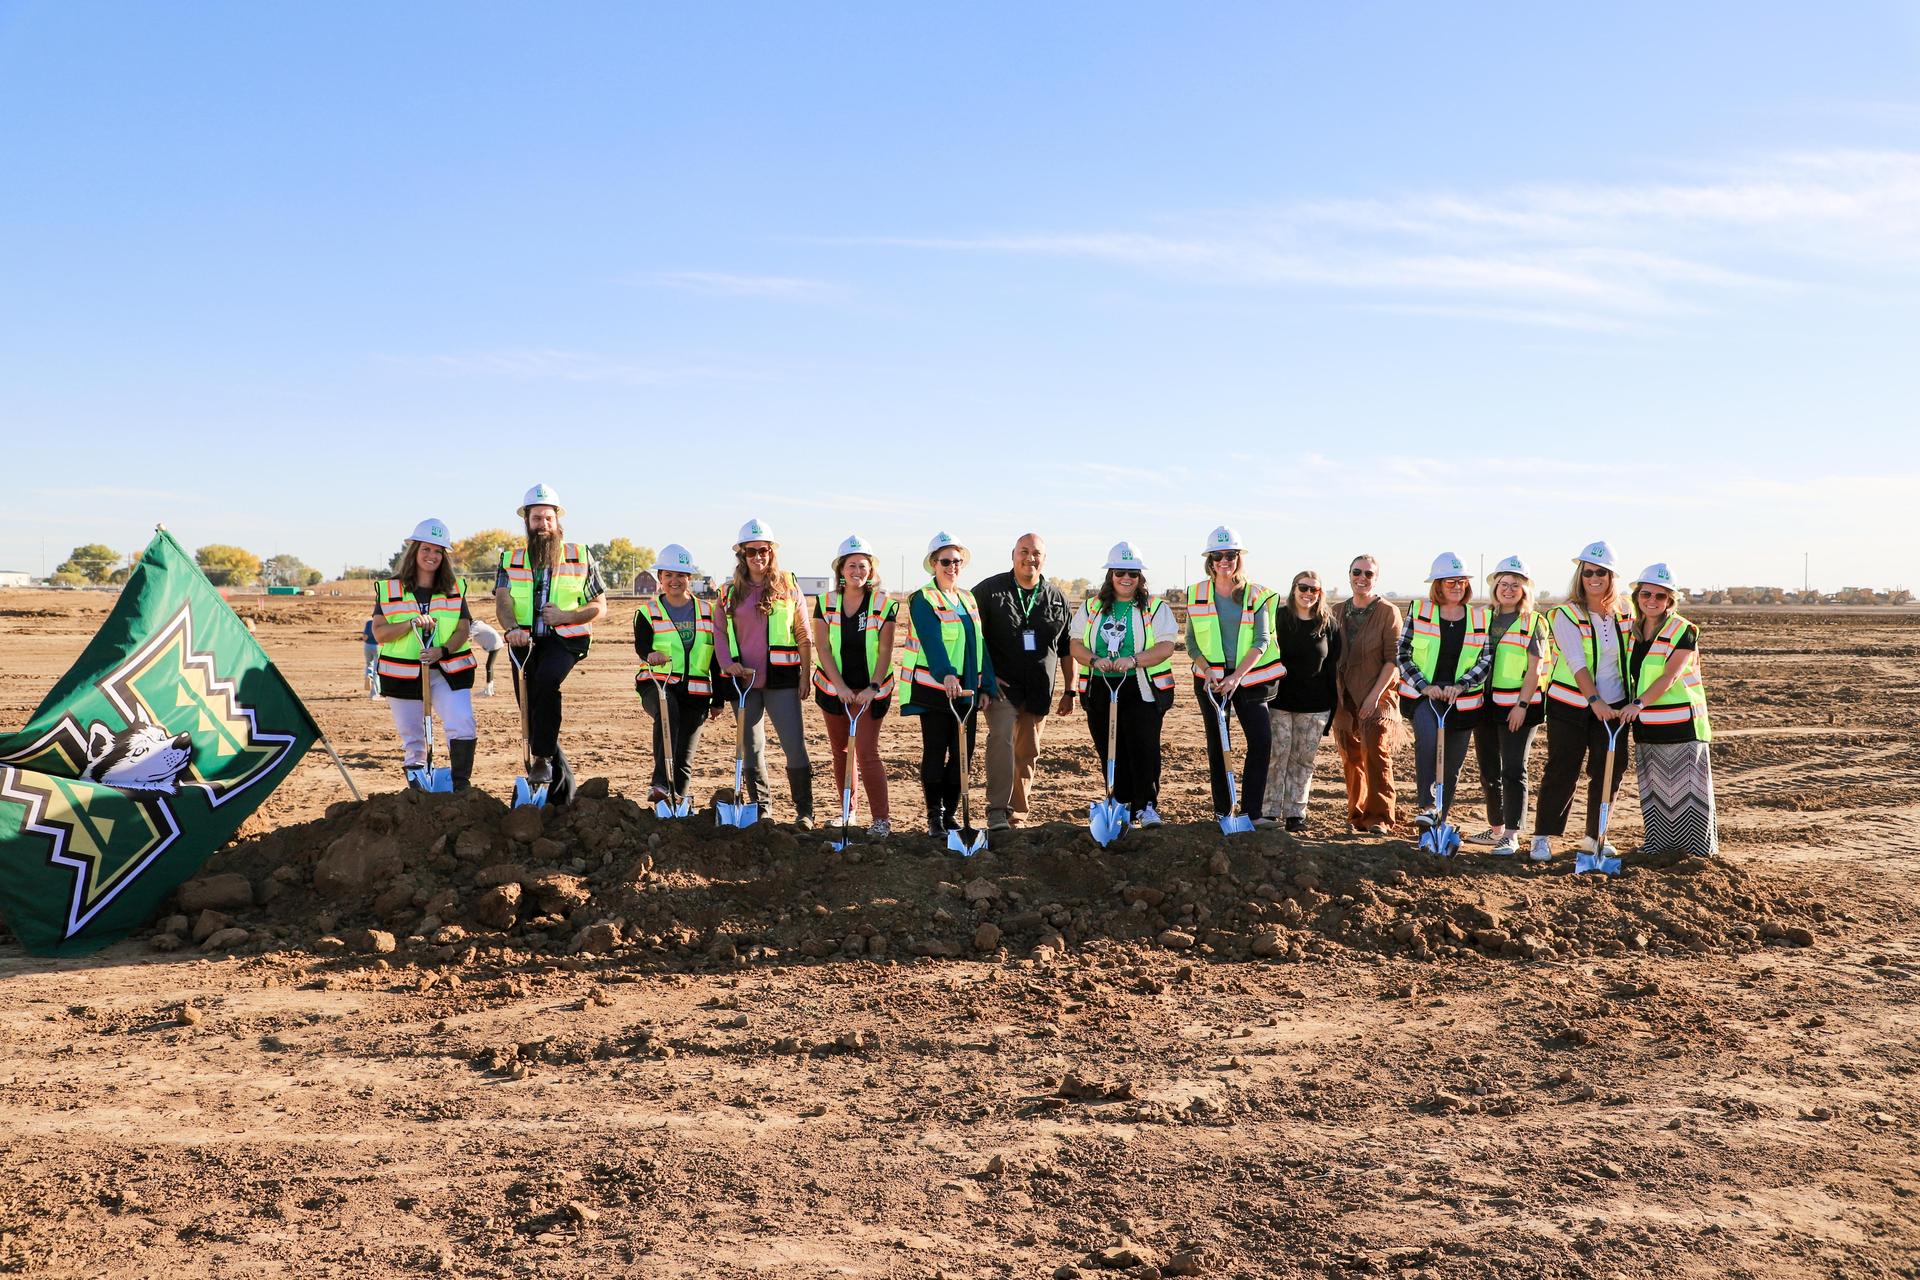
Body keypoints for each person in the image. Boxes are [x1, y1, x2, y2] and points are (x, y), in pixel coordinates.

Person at [494, 484, 606, 804]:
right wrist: (512, 627)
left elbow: (600, 606)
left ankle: (541, 758)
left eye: (547, 518)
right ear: (526, 522)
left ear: (558, 522)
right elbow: (503, 601)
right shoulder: (511, 559)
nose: (542, 524)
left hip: (565, 640)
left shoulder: (579, 556)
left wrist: (567, 616)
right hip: (523, 640)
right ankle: (562, 790)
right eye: (535, 518)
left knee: (545, 682)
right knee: (531, 711)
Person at [1532, 540, 1633, 863]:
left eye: (1601, 572)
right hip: (1571, 705)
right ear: (1580, 575)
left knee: (1609, 771)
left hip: (1614, 706)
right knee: (1563, 768)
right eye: (1588, 572)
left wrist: (1616, 704)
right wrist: (1594, 700)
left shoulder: (1625, 612)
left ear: (1612, 576)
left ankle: (1595, 836)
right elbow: (1576, 662)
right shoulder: (1565, 614)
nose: (1594, 578)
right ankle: (1542, 837)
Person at [713, 518, 817, 827]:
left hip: (782, 680)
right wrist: (726, 663)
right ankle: (761, 807)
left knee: (793, 745)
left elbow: (803, 632)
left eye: (764, 550)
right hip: (743, 682)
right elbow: (718, 632)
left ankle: (805, 811)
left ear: (772, 552)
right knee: (752, 747)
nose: (759, 556)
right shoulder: (728, 591)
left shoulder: (788, 585)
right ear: (742, 555)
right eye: (752, 551)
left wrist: (805, 675)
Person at [1069, 542, 1178, 827]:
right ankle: (1121, 805)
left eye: (1132, 572)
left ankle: (1146, 806)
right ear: (1110, 574)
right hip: (1101, 688)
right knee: (1110, 749)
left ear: (1140, 577)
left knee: (1143, 748)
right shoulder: (1092, 607)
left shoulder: (1154, 608)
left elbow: (1166, 646)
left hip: (1141, 689)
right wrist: (1094, 661)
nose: (1126, 578)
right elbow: (1075, 643)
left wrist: (1134, 660)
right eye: (1120, 572)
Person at [897, 532, 996, 838]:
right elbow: (932, 639)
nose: (952, 566)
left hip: (966, 691)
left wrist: (986, 686)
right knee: (936, 751)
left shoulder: (967, 599)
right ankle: (934, 817)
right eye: (945, 561)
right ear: (933, 564)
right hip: (935, 689)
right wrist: (947, 674)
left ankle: (952, 814)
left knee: (962, 755)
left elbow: (979, 643)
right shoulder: (923, 599)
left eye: (957, 561)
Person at [972, 532, 1073, 831]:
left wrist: (1070, 690)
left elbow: (1067, 647)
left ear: (1044, 558)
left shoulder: (1057, 598)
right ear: (1013, 554)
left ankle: (1017, 813)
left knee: (1027, 751)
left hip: (1039, 688)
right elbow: (972, 638)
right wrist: (984, 677)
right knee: (1001, 740)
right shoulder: (989, 592)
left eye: (1036, 553)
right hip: (1001, 688)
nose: (1030, 557)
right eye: (1024, 551)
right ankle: (997, 811)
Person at [1187, 526, 1285, 828]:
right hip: (1211, 679)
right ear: (1210, 560)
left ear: (1239, 558)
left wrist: (1236, 678)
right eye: (1218, 556)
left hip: (1249, 678)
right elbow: (1191, 643)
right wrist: (1207, 672)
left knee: (1261, 740)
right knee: (1219, 744)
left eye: (1231, 555)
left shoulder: (1256, 595)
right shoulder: (1196, 593)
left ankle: (1252, 812)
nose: (1224, 560)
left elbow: (1261, 640)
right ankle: (1224, 811)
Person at [372, 518, 478, 790]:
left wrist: (441, 651)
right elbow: (380, 634)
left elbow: (463, 629)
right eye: (426, 549)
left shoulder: (455, 588)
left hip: (447, 671)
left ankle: (460, 786)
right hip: (402, 674)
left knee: (462, 722)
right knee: (413, 738)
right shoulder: (390, 589)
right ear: (414, 551)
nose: (432, 556)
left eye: (438, 551)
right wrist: (410, 624)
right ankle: (419, 792)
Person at [1622, 563, 1719, 859]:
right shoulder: (1633, 631)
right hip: (1648, 726)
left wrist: (1637, 704)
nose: (1652, 600)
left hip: (1682, 724)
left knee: (1689, 790)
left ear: (1670, 600)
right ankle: (1659, 846)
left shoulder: (1683, 630)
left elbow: (1670, 676)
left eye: (1660, 596)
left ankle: (1697, 852)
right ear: (1638, 595)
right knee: (1655, 789)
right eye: (1646, 593)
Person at [1396, 552, 1495, 841]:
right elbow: (1403, 652)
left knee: (1451, 765)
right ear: (1437, 584)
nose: (1457, 585)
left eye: (1462, 581)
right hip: (1426, 694)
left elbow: (1485, 658)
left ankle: (1439, 821)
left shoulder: (1479, 617)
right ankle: (1427, 806)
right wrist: (1424, 686)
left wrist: (1462, 685)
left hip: (1461, 699)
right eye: (1450, 581)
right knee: (1428, 744)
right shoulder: (1420, 610)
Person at [811, 534, 898, 838]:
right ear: (841, 569)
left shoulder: (883, 604)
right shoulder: (825, 603)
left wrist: (872, 687)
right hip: (834, 689)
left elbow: (886, 650)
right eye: (851, 565)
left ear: (871, 570)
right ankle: (848, 812)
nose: (857, 571)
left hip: (871, 691)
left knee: (865, 751)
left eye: (863, 565)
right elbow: (822, 647)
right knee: (841, 752)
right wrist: (840, 687)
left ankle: (881, 819)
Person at [1468, 555, 1548, 856]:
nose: (1509, 589)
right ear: (1495, 587)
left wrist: (1522, 705)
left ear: (1525, 590)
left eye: (1516, 585)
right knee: (1489, 769)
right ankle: (1497, 828)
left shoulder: (1534, 622)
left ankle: (1512, 834)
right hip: (1484, 705)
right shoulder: (1482, 617)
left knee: (1514, 768)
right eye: (1504, 584)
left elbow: (1535, 669)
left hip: (1517, 706)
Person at [634, 543, 717, 809]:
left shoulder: (707, 612)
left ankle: (676, 803)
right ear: (660, 579)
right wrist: (650, 655)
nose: (674, 581)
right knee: (666, 709)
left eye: (680, 575)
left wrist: (719, 699)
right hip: (657, 684)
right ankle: (659, 784)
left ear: (689, 579)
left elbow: (715, 656)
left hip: (697, 691)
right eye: (668, 575)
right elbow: (642, 645)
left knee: (685, 752)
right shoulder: (648, 612)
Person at [1261, 570, 1341, 833]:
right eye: (1303, 588)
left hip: (1315, 706)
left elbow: (1332, 667)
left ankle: (1296, 812)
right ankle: (1270, 811)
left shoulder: (1328, 624)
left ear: (1320, 593)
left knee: (1303, 760)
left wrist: (1332, 709)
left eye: (1314, 590)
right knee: (1277, 755)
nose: (1308, 594)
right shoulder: (1278, 618)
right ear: (1294, 588)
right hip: (1279, 701)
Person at [1330, 555, 1403, 833]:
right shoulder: (1336, 611)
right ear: (1349, 575)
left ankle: (1381, 817)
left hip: (1379, 693)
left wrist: (1374, 697)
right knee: (1350, 757)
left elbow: (1392, 659)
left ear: (1376, 578)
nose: (1362, 578)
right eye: (1357, 572)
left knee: (1375, 751)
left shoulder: (1387, 612)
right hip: (1344, 696)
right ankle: (1357, 813)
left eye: (1368, 574)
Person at [466, 618, 503, 696]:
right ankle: (490, 689)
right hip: (496, 642)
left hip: (495, 644)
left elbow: (465, 638)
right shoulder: (477, 624)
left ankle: (488, 690)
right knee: (489, 666)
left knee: (489, 666)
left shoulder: (474, 627)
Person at [360, 618, 383, 701]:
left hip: (367, 646)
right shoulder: (382, 623)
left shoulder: (369, 623)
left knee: (369, 664)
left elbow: (365, 637)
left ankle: (368, 676)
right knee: (376, 670)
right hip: (377, 646)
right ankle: (374, 694)